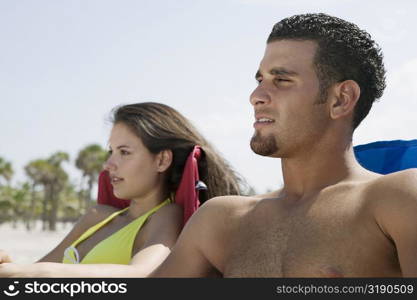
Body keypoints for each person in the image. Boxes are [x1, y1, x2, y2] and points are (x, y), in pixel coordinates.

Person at [150, 13, 417, 277]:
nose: (256, 96)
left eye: (282, 80)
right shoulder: (220, 220)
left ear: (341, 100)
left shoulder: (397, 199)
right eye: (260, 80)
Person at [0, 102, 243, 277]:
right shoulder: (96, 216)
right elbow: (34, 272)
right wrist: (10, 267)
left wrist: (28, 271)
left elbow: (141, 274)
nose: (108, 165)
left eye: (124, 152)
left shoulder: (166, 217)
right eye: (111, 152)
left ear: (161, 160)